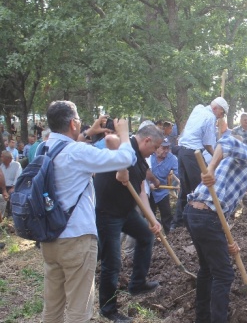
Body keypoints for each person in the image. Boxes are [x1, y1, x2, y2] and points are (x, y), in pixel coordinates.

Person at [38, 101, 136, 323]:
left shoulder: (42, 148)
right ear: (73, 123)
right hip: (76, 239)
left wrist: (90, 133)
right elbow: (126, 158)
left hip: (49, 237)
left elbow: (66, 147)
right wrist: (124, 135)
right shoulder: (77, 152)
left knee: (52, 306)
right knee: (79, 309)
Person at [185, 137, 247, 323]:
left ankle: (202, 318)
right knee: (224, 274)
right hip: (206, 215)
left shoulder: (241, 168)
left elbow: (221, 216)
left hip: (194, 213)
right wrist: (210, 169)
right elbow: (226, 141)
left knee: (207, 270)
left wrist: (227, 241)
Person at [94, 124, 164, 322]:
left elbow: (142, 192)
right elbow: (110, 141)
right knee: (112, 262)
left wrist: (152, 219)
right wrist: (121, 167)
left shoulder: (142, 160)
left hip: (126, 211)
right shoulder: (127, 146)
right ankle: (108, 310)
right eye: (155, 147)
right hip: (107, 213)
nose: (156, 151)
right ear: (146, 140)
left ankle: (137, 284)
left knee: (146, 235)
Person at [172, 97, 228, 230]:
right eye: (222, 112)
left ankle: (178, 223)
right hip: (193, 154)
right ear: (216, 109)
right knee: (202, 189)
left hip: (182, 152)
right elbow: (208, 143)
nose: (222, 116)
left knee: (185, 189)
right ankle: (200, 222)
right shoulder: (210, 118)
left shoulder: (198, 108)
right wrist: (217, 156)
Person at [148, 137, 178, 234]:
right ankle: (151, 238)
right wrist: (149, 185)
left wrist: (179, 183)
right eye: (163, 148)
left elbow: (179, 174)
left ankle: (170, 238)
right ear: (156, 148)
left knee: (167, 215)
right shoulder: (149, 156)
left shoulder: (172, 158)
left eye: (167, 148)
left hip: (162, 192)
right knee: (149, 216)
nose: (166, 151)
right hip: (149, 192)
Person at [0, 150, 22, 217]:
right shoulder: (2, 166)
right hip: (3, 186)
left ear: (7, 158)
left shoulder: (16, 165)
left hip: (12, 186)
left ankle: (10, 214)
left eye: (2, 157)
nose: (1, 158)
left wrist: (13, 187)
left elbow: (18, 177)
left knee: (11, 193)